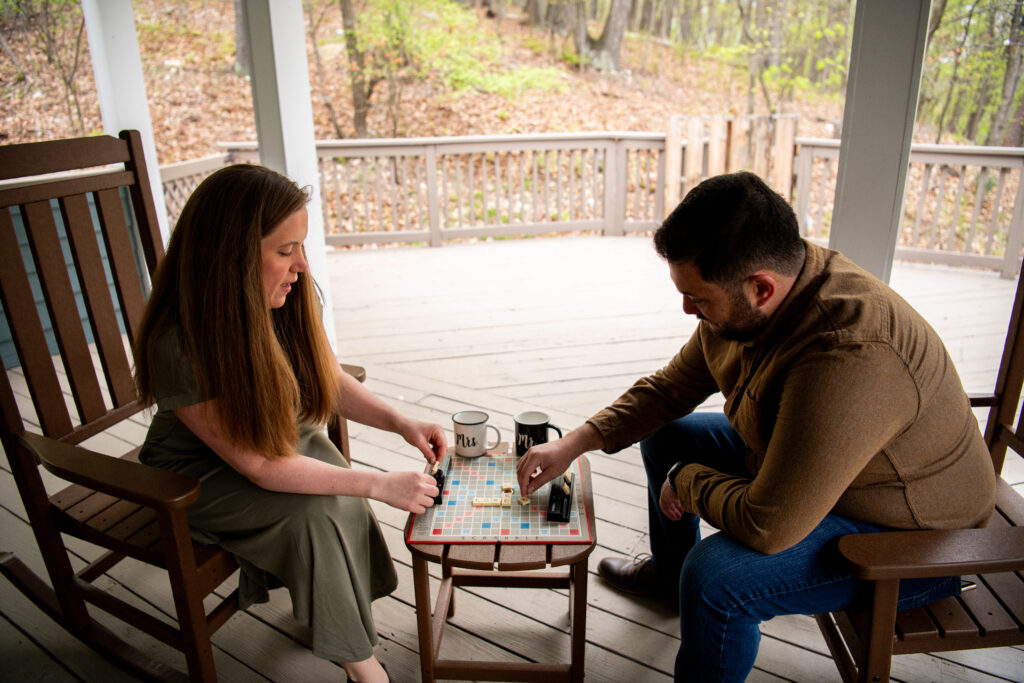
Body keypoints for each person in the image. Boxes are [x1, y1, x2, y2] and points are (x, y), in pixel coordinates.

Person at [516, 171, 996, 682]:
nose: (687, 309)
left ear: (761, 288)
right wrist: (574, 444)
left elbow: (770, 525)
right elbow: (668, 391)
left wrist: (690, 483)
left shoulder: (849, 353)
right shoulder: (760, 290)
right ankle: (669, 576)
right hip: (819, 466)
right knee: (668, 435)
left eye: (698, 298)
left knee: (716, 578)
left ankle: (691, 591)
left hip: (915, 536)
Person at [133, 164, 444, 683]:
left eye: (301, 246)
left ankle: (335, 615)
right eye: (285, 250)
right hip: (193, 471)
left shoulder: (284, 299)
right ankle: (364, 667)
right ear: (230, 256)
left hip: (270, 436)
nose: (302, 263)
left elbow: (330, 379)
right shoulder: (179, 344)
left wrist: (401, 422)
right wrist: (377, 482)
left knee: (332, 474)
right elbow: (258, 465)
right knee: (315, 515)